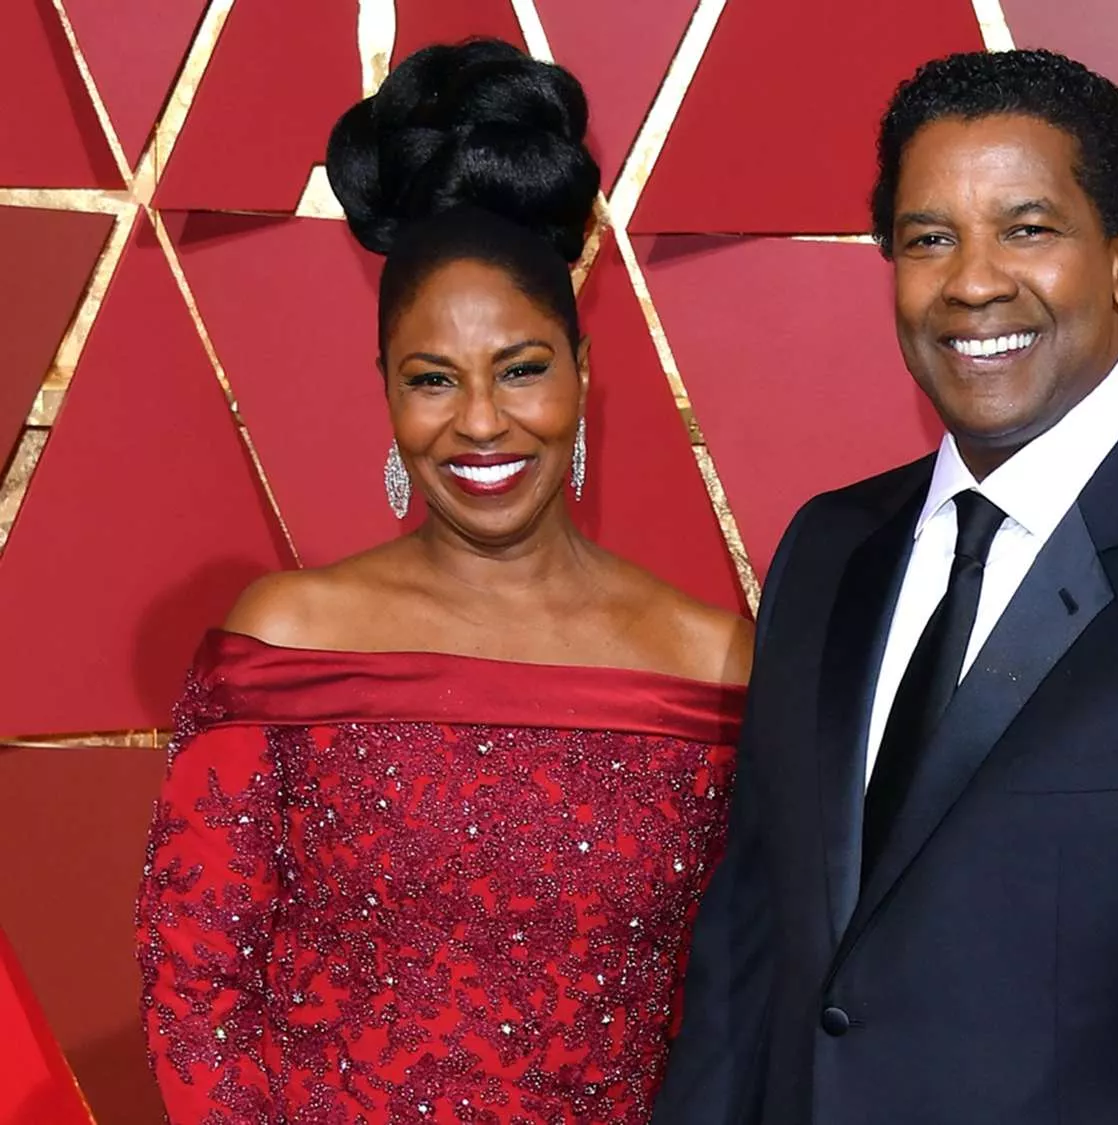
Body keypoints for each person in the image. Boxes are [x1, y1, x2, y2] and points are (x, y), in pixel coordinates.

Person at [653, 49, 1118, 1125]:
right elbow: (745, 967)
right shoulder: (828, 553)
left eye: (1027, 228)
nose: (972, 280)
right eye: (929, 239)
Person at [136, 39, 751, 1124]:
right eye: (434, 379)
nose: (480, 421)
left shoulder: (713, 661)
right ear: (386, 393)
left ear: (581, 371)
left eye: (521, 367)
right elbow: (195, 990)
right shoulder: (290, 638)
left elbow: (742, 1005)